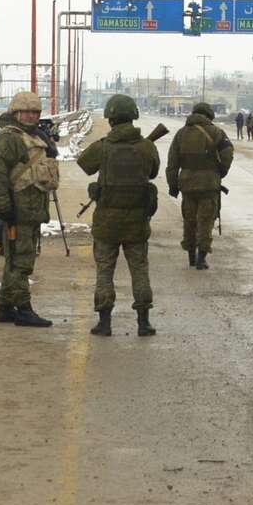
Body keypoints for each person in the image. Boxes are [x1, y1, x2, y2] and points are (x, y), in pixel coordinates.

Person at [77, 93, 160, 336]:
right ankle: (143, 323)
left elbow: (84, 164)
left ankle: (104, 323)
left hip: (106, 222)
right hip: (137, 221)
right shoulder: (146, 147)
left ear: (111, 119)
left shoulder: (103, 147)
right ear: (133, 117)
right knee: (140, 270)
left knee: (104, 271)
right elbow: (153, 173)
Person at [0, 90, 55, 328]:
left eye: (35, 112)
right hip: (17, 211)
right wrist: (5, 209)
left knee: (15, 259)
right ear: (16, 113)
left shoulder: (33, 137)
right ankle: (23, 309)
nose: (32, 117)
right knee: (21, 261)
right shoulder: (10, 139)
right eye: (27, 112)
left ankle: (5, 307)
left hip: (30, 211)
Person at [165, 99, 233, 269]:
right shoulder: (217, 132)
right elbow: (228, 153)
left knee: (189, 221)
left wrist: (173, 186)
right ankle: (201, 258)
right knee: (206, 221)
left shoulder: (181, 134)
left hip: (187, 185)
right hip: (209, 185)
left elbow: (172, 163)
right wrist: (220, 172)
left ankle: (190, 256)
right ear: (209, 116)